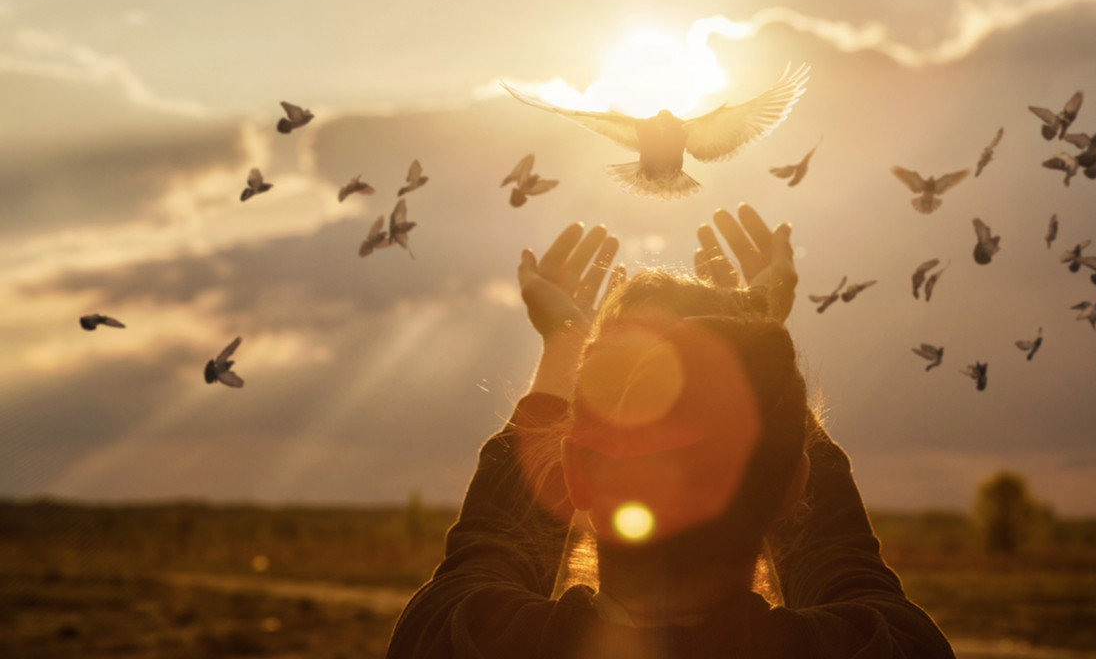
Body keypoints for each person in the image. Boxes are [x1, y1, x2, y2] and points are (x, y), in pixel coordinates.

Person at [386, 205, 956, 658]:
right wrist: (754, 338)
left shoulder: (459, 638)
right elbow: (842, 558)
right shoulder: (886, 646)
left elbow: (491, 543)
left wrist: (565, 337)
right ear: (794, 486)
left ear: (572, 473)